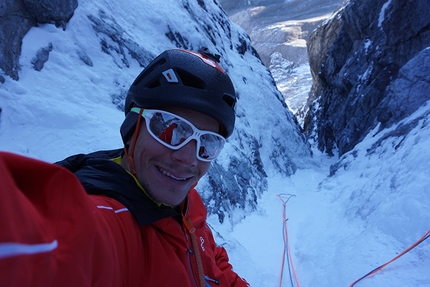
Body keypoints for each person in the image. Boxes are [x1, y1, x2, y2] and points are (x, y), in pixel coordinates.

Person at [0, 49, 249, 287]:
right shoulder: (105, 223)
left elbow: (210, 261)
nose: (189, 159)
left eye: (207, 143)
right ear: (133, 125)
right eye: (170, 129)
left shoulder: (186, 202)